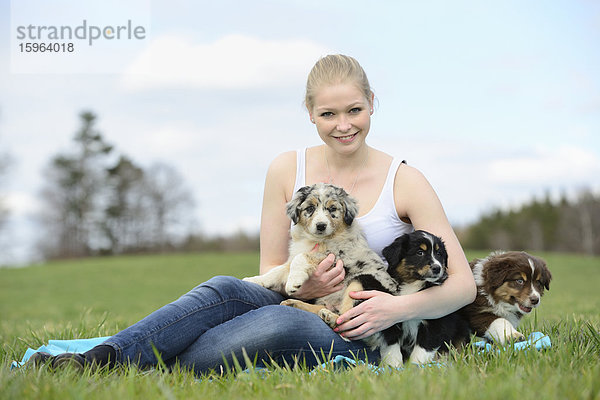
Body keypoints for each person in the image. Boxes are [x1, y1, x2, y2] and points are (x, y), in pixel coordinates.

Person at [30, 54, 477, 375]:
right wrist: (309, 282)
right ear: (310, 113)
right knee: (226, 288)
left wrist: (394, 310)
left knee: (282, 321)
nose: (344, 125)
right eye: (328, 113)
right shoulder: (287, 168)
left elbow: (461, 285)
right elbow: (269, 272)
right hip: (298, 295)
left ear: (372, 103)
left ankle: (134, 362)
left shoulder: (405, 179)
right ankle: (103, 360)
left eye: (354, 110)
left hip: (365, 330)